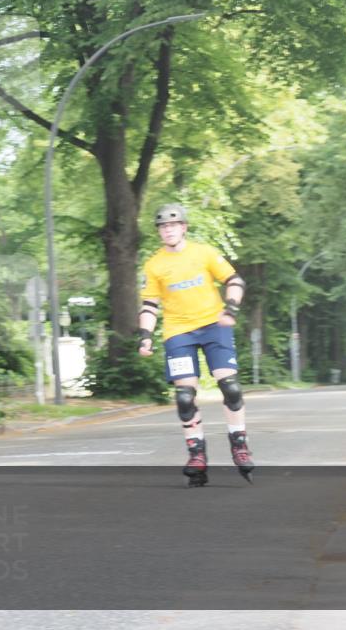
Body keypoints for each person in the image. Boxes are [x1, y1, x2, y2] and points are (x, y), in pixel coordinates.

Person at [137, 204, 253, 486]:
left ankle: (239, 443)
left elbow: (235, 280)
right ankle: (196, 454)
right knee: (184, 397)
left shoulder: (204, 253)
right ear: (159, 232)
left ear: (184, 227)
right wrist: (145, 335)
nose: (168, 230)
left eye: (173, 225)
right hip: (178, 332)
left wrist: (231, 309)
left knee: (231, 387)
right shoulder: (154, 265)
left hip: (215, 326)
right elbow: (150, 304)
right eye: (163, 227)